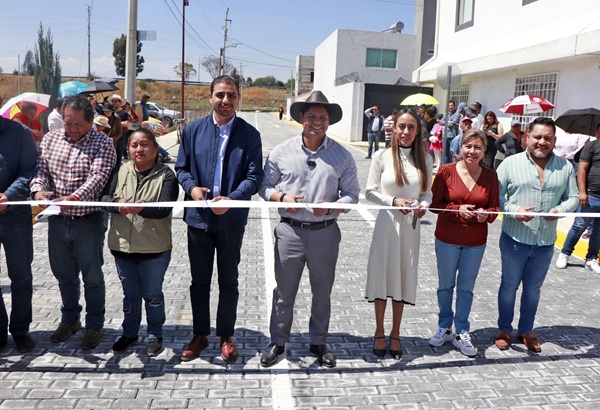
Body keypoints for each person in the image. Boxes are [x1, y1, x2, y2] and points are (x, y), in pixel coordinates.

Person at [258, 90, 359, 368]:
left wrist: (333, 207)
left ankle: (318, 341)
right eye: (312, 116)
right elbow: (264, 187)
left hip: (325, 233)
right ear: (301, 117)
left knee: (322, 292)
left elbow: (352, 195)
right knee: (284, 292)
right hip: (289, 232)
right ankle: (278, 341)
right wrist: (281, 198)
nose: (317, 122)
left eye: (323, 117)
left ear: (329, 121)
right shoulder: (281, 151)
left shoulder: (342, 156)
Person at [176, 75, 263, 363]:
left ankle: (226, 335)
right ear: (210, 97)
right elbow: (181, 168)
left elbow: (254, 176)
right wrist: (192, 188)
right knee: (199, 281)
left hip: (231, 222)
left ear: (238, 98)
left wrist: (233, 199)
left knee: (229, 280)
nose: (226, 100)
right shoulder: (192, 131)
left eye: (231, 95)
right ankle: (200, 334)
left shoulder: (250, 135)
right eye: (221, 95)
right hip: (198, 220)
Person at [30, 95, 116, 350]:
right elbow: (41, 170)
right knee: (64, 274)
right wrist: (38, 191)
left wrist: (75, 198)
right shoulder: (51, 139)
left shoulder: (103, 143)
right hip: (57, 220)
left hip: (88, 220)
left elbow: (98, 177)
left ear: (90, 121)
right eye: (68, 122)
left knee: (92, 276)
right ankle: (70, 319)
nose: (72, 128)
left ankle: (95, 324)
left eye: (78, 124)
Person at [495, 117, 578, 353]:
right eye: (537, 137)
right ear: (527, 137)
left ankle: (526, 331)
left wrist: (559, 211)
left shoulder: (564, 167)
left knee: (533, 290)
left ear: (554, 141)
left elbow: (573, 198)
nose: (542, 142)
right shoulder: (509, 164)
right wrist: (514, 210)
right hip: (514, 239)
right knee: (509, 286)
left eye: (547, 138)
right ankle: (504, 330)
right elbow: (496, 196)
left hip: (545, 242)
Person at [103, 128, 179, 357]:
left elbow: (164, 207)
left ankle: (155, 334)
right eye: (134, 145)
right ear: (128, 149)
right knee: (130, 295)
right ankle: (129, 333)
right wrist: (117, 205)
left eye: (145, 144)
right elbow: (104, 198)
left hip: (154, 248)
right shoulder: (120, 170)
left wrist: (141, 208)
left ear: (156, 148)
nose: (139, 149)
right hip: (122, 246)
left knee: (153, 294)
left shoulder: (166, 175)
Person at [365, 108, 432, 360]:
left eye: (411, 127)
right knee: (382, 276)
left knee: (403, 277)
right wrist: (393, 201)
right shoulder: (381, 156)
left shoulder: (425, 159)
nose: (405, 132)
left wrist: (423, 206)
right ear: (393, 128)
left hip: (410, 226)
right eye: (401, 126)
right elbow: (370, 192)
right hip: (387, 224)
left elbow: (427, 193)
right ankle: (379, 330)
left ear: (418, 131)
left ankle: (395, 333)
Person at [428, 130, 499, 356]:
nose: (472, 151)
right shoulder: (445, 171)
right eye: (468, 146)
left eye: (477, 147)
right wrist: (457, 209)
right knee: (445, 285)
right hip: (447, 238)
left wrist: (486, 215)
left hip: (475, 241)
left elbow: (495, 208)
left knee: (466, 288)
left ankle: (462, 331)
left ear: (484, 151)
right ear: (460, 148)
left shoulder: (491, 176)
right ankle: (444, 326)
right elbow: (434, 205)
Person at [0, 117, 38, 353]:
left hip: (15, 215)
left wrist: (8, 195)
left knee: (21, 275)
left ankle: (20, 329)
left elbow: (29, 170)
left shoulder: (20, 132)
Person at [555, 124, 600, 273]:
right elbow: (582, 168)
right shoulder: (591, 146)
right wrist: (582, 192)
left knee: (598, 230)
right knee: (579, 225)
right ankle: (565, 253)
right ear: (597, 131)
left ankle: (591, 259)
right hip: (591, 195)